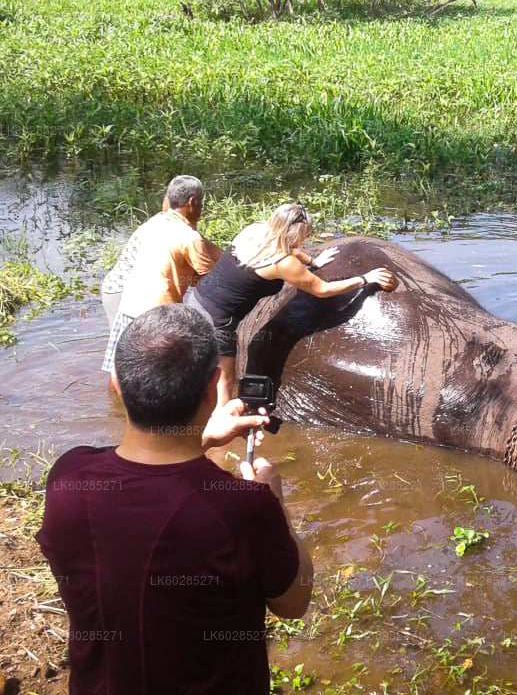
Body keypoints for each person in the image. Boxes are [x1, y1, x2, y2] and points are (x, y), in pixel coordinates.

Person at [39, 304, 313, 694]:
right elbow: (293, 603)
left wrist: (201, 437)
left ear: (117, 382)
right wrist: (277, 504)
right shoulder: (245, 508)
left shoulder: (69, 476)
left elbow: (145, 476)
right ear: (212, 387)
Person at [187, 203, 396, 405]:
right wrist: (365, 279)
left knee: (198, 370)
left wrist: (312, 261)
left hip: (196, 299)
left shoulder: (255, 230)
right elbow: (322, 289)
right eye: (305, 234)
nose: (307, 238)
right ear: (296, 234)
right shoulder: (281, 262)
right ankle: (220, 431)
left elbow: (286, 246)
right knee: (225, 381)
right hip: (217, 320)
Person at [101, 175, 223, 371]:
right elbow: (210, 281)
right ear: (192, 202)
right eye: (201, 203)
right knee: (159, 369)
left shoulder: (157, 222)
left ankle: (117, 401)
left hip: (129, 304)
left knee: (122, 366)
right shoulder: (189, 237)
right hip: (153, 310)